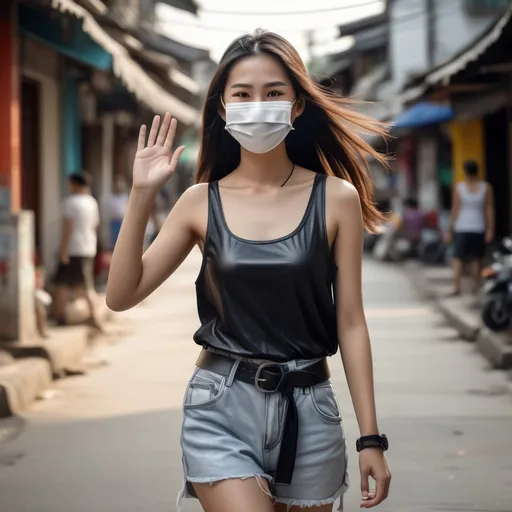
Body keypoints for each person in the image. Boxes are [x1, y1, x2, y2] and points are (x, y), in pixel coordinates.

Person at [106, 30, 391, 512]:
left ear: (297, 105)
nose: (257, 105)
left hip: (310, 408)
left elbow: (351, 323)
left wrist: (371, 439)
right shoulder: (200, 202)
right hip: (220, 405)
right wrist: (142, 193)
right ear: (222, 107)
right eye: (242, 94)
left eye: (274, 93)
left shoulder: (336, 198)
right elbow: (121, 294)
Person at [53, 172, 103, 330]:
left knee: (62, 283)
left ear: (75, 184)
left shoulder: (70, 203)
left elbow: (68, 228)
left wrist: (63, 249)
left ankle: (61, 316)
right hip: (88, 248)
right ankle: (91, 316)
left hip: (73, 249)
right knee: (84, 284)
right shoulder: (92, 202)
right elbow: (95, 226)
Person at [447, 160, 494, 295]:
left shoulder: (459, 187)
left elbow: (455, 209)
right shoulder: (486, 187)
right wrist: (490, 229)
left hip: (462, 226)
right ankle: (475, 287)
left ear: (465, 171)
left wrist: (450, 229)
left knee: (458, 257)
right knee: (476, 258)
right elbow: (489, 209)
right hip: (478, 226)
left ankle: (456, 287)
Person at [101, 175, 130, 250]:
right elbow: (105, 212)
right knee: (113, 242)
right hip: (112, 223)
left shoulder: (125, 197)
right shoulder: (108, 198)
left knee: (123, 242)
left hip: (123, 223)